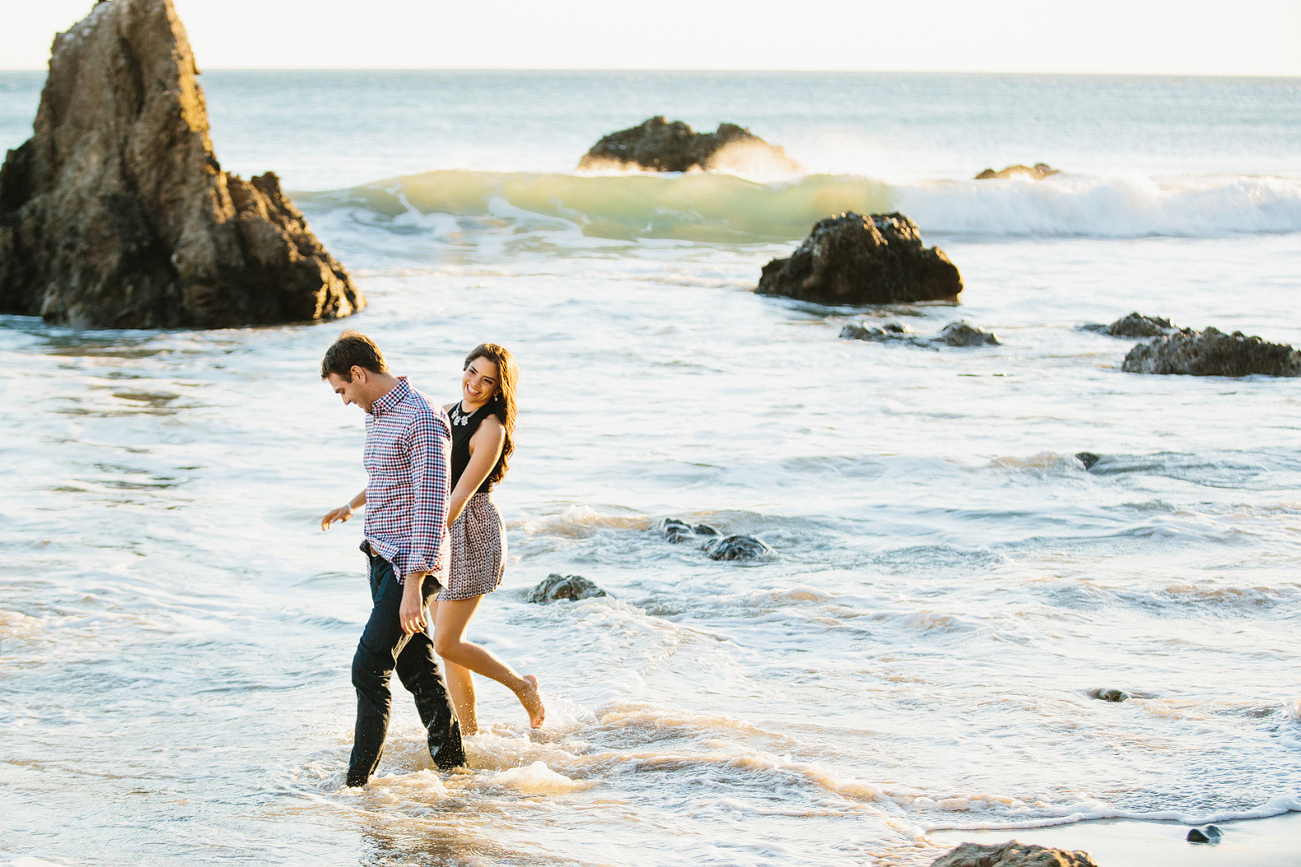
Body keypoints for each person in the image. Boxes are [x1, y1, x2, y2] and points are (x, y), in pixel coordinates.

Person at [319, 331, 465, 786]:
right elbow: (389, 475)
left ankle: (356, 788)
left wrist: (413, 586)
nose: (343, 401)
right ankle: (455, 770)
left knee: (368, 668)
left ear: (359, 373)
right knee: (418, 669)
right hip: (381, 558)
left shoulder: (421, 417)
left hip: (410, 568)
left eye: (342, 390)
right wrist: (352, 504)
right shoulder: (379, 415)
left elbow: (430, 505)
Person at [433, 343, 544, 735]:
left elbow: (461, 495)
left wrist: (427, 541)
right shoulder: (445, 414)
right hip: (440, 526)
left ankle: (522, 687)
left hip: (471, 529)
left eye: (487, 380)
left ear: (499, 389)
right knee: (447, 647)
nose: (474, 384)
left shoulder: (491, 429)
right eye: (471, 372)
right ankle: (469, 733)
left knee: (446, 642)